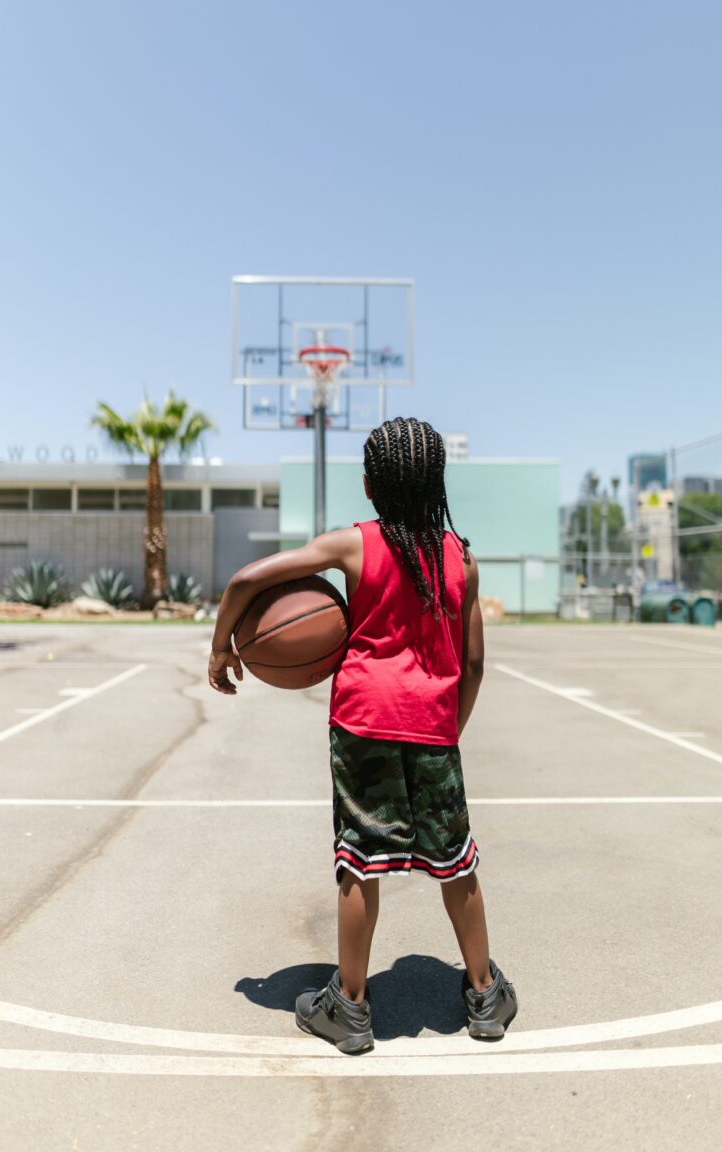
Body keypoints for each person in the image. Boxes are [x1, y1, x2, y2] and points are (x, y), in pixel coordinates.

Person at [208, 416, 516, 1055]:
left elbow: (245, 581)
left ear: (371, 487)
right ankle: (485, 996)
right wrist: (447, 727)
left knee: (359, 863)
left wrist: (220, 651)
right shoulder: (462, 557)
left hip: (363, 721)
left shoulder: (354, 545)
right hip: (433, 726)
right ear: (437, 485)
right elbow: (476, 661)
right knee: (456, 861)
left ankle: (349, 1008)